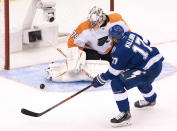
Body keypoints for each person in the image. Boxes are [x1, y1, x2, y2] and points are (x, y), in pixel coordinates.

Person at [92, 25, 164, 127]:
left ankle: (125, 115)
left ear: (114, 38)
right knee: (142, 81)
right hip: (157, 63)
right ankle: (150, 99)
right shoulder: (130, 34)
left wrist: (101, 79)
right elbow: (147, 42)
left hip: (146, 70)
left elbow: (114, 72)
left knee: (117, 83)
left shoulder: (119, 50)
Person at [67, 6, 130, 72]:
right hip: (91, 50)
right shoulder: (83, 26)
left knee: (117, 64)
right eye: (91, 22)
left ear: (102, 19)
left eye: (94, 23)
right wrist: (75, 59)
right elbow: (72, 43)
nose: (92, 25)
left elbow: (128, 34)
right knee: (93, 66)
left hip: (109, 49)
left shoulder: (116, 19)